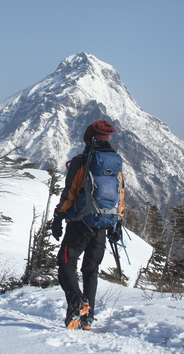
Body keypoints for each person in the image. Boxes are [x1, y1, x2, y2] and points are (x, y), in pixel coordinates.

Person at [51, 119, 123, 330]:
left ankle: (77, 301)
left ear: (88, 138)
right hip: (104, 224)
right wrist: (117, 221)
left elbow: (70, 193)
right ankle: (87, 318)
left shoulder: (82, 161)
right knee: (90, 271)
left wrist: (58, 217)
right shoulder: (115, 161)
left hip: (80, 223)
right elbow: (121, 193)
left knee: (65, 263)